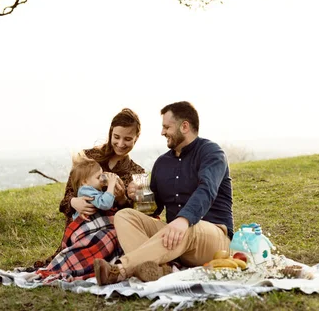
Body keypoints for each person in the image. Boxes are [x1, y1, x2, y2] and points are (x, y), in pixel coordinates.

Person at [94, 101, 234, 284]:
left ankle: (120, 269)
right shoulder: (162, 163)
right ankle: (156, 270)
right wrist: (139, 197)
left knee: (189, 225)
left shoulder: (212, 153)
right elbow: (153, 209)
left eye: (166, 127)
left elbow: (207, 190)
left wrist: (183, 220)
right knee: (124, 216)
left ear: (184, 126)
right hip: (174, 239)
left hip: (213, 238)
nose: (162, 132)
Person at [33, 108, 145, 272]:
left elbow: (136, 216)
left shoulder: (137, 172)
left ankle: (109, 267)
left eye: (128, 139)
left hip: (112, 232)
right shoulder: (88, 157)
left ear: (136, 138)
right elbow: (65, 200)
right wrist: (74, 202)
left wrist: (122, 199)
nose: (121, 144)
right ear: (110, 133)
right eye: (116, 137)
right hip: (82, 229)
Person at [69, 153, 118, 221]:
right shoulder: (85, 190)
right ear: (85, 182)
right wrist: (111, 185)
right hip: (86, 226)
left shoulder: (93, 189)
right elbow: (105, 204)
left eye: (102, 174)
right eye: (98, 177)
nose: (101, 179)